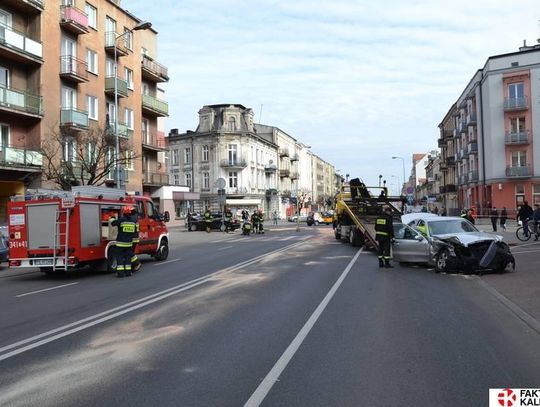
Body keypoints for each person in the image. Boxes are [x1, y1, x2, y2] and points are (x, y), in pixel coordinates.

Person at [111, 206, 137, 278]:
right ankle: (128, 272)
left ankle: (121, 273)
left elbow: (113, 223)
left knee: (119, 257)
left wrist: (112, 217)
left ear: (124, 213)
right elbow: (134, 232)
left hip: (120, 244)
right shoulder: (133, 222)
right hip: (129, 244)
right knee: (128, 258)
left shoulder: (121, 220)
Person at [130, 207, 141, 272]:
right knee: (131, 252)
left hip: (133, 238)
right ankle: (133, 265)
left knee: (130, 252)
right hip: (135, 237)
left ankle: (137, 263)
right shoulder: (135, 217)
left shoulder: (133, 218)